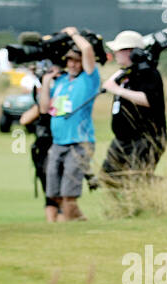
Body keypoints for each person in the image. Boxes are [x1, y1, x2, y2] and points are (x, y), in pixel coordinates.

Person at [38, 28, 100, 221]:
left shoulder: (89, 79)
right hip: (58, 142)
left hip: (79, 142)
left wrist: (73, 34)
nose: (73, 64)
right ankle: (80, 224)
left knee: (69, 195)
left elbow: (88, 49)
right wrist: (47, 82)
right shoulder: (62, 81)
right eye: (70, 60)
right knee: (54, 194)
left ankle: (78, 226)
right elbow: (43, 109)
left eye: (77, 60)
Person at [99, 30, 167, 189]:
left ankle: (166, 191)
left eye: (118, 50)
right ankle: (122, 209)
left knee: (137, 178)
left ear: (130, 52)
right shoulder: (126, 74)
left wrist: (117, 90)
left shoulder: (148, 73)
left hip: (145, 136)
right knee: (109, 176)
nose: (115, 54)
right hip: (123, 137)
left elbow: (149, 100)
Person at [18, 71, 58, 220]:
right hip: (42, 149)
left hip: (56, 147)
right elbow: (24, 120)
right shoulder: (40, 104)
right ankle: (52, 223)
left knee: (57, 191)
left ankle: (61, 220)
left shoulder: (58, 101)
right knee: (49, 191)